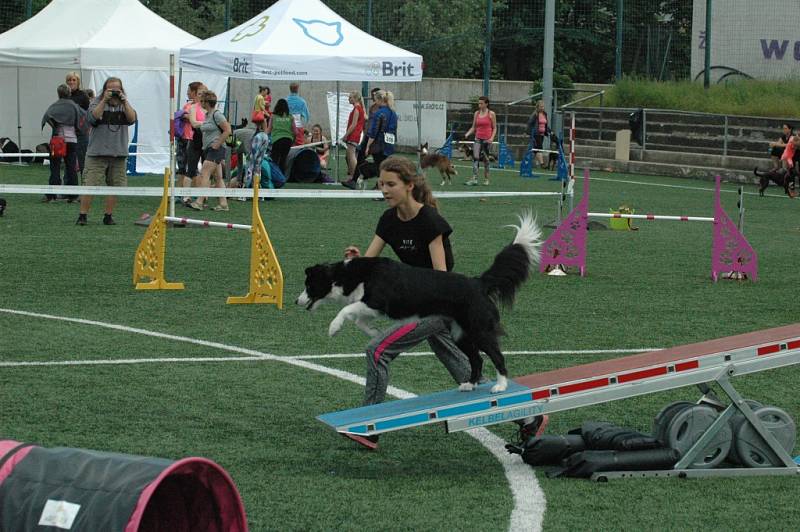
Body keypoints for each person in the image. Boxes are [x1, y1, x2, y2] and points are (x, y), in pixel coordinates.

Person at [340, 156, 473, 449]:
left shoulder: (430, 221)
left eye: (391, 184)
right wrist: (356, 259)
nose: (384, 190)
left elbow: (441, 279)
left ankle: (368, 426)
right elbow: (370, 263)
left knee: (377, 351)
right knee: (465, 372)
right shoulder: (388, 219)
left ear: (409, 185)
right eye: (381, 184)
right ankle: (528, 420)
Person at [77, 77, 136, 226]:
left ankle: (108, 215)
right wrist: (104, 100)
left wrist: (124, 101)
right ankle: (83, 215)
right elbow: (92, 117)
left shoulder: (125, 104)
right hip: (97, 153)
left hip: (118, 153)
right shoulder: (96, 102)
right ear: (104, 90)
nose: (114, 92)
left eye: (117, 89)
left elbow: (132, 118)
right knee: (90, 185)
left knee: (115, 186)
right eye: (110, 89)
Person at [343, 89, 397, 189]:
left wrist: (368, 145)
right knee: (380, 163)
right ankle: (374, 183)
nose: (374, 101)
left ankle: (364, 177)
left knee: (369, 162)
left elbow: (373, 131)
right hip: (388, 142)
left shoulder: (379, 113)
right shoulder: (393, 113)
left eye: (375, 99)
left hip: (375, 141)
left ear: (380, 100)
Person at [41, 84, 85, 203]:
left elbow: (46, 117)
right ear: (69, 93)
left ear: (58, 93)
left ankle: (51, 195)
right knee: (71, 167)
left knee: (54, 167)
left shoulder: (54, 106)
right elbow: (83, 117)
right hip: (72, 140)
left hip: (57, 140)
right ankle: (73, 196)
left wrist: (55, 126)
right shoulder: (74, 106)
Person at [190, 90, 231, 211]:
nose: (201, 103)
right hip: (209, 149)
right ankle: (223, 204)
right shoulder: (208, 115)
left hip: (215, 149)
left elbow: (228, 130)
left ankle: (199, 201)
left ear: (207, 102)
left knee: (204, 173)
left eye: (202, 101)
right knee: (218, 178)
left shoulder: (217, 114)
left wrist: (217, 144)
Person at [176, 82, 204, 204]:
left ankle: (195, 195)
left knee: (192, 169)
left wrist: (186, 116)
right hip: (183, 137)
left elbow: (192, 119)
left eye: (189, 90)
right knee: (183, 167)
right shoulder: (189, 105)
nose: (187, 92)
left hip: (193, 139)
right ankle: (180, 194)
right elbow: (182, 116)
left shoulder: (198, 107)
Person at [464, 95, 497, 186]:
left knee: (486, 160)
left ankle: (486, 179)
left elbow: (494, 128)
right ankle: (474, 178)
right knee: (475, 158)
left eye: (481, 103)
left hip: (487, 140)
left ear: (486, 104)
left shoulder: (491, 114)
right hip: (477, 138)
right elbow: (473, 127)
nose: (479, 105)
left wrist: (491, 138)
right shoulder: (476, 113)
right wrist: (467, 134)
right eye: (479, 103)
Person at [65, 72, 90, 177]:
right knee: (68, 163)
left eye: (74, 80)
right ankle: (68, 189)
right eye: (69, 80)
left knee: (82, 162)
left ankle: (85, 189)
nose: (71, 82)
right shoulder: (64, 95)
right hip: (67, 133)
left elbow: (88, 113)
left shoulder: (83, 96)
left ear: (78, 82)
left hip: (81, 134)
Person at [269, 98, 298, 175]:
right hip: (288, 140)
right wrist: (293, 141)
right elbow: (295, 132)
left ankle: (274, 176)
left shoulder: (273, 116)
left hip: (276, 140)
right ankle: (282, 177)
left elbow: (268, 130)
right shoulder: (290, 117)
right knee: (283, 159)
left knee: (274, 159)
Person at [341, 90, 366, 178]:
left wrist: (345, 135)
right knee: (349, 155)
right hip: (354, 134)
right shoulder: (359, 108)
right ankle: (352, 176)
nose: (349, 99)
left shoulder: (357, 109)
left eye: (350, 97)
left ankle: (356, 176)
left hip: (353, 135)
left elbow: (353, 124)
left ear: (355, 99)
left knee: (351, 156)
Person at [526, 100, 549, 169]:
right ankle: (542, 164)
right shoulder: (535, 114)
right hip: (536, 133)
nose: (542, 108)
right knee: (538, 148)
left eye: (543, 106)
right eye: (541, 106)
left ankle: (532, 162)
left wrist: (547, 131)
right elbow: (529, 123)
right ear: (538, 107)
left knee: (535, 149)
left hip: (542, 134)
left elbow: (545, 124)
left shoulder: (545, 114)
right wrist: (528, 132)